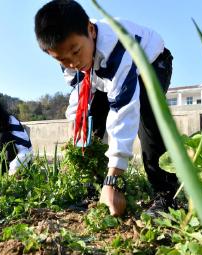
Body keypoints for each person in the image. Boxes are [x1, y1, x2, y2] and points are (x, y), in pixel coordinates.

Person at [34, 0, 178, 216]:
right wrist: (76, 124)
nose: (72, 62)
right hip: (101, 74)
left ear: (91, 30)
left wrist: (114, 177)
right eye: (63, 59)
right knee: (92, 119)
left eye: (75, 51)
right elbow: (79, 91)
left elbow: (124, 109)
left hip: (151, 63)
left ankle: (167, 195)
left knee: (148, 120)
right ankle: (96, 187)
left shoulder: (116, 48)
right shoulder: (72, 59)